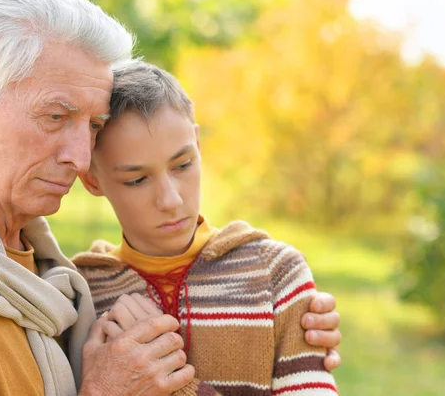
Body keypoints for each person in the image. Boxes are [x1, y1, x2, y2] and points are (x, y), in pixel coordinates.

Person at [0, 0, 339, 395]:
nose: (81, 157)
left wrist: (284, 334)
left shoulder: (41, 264)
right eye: (56, 115)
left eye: (94, 126)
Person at [73, 60, 339, 395]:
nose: (170, 199)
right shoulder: (78, 294)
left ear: (197, 145)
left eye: (182, 165)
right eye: (137, 179)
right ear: (91, 179)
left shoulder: (276, 275)